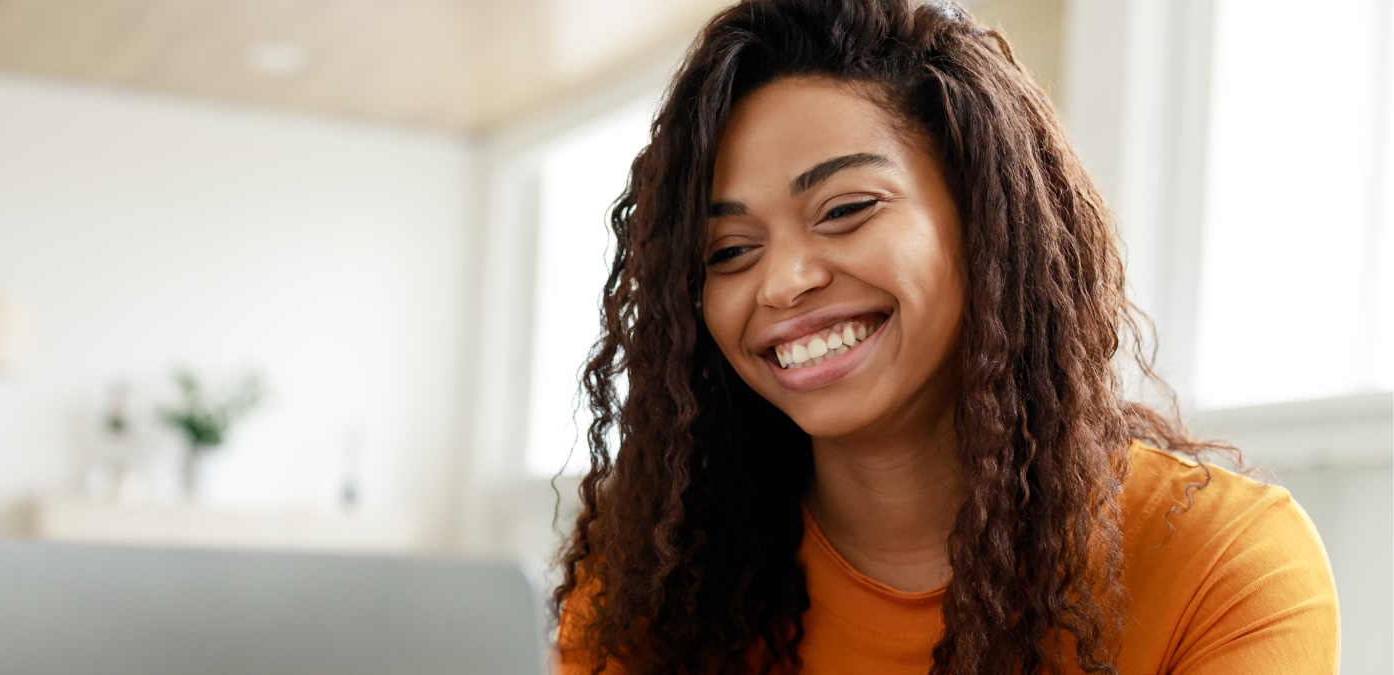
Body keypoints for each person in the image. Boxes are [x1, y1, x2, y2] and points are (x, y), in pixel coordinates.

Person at [550, 1, 1339, 673]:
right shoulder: (649, 583)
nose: (782, 282)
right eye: (727, 253)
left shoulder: (1225, 564)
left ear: (985, 217)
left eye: (846, 209)